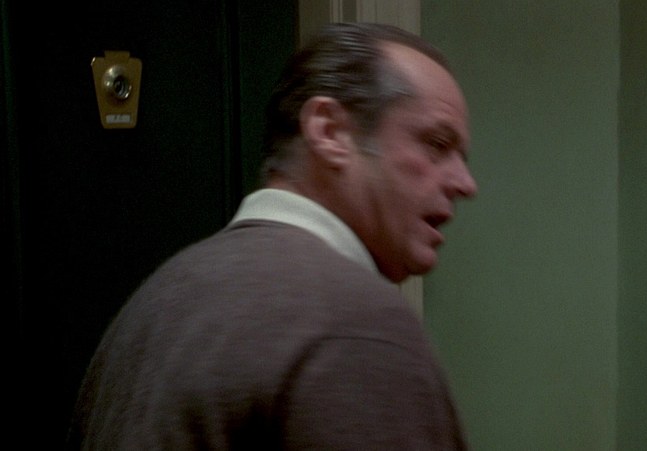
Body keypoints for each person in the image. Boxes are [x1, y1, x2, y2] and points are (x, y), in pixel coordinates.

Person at [67, 22, 477, 450]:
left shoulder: (160, 297)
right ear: (330, 131)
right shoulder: (356, 325)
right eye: (436, 143)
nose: (465, 184)